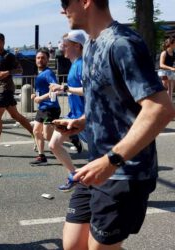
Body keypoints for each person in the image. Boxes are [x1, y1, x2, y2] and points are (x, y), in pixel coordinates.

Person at [58, 0, 175, 249]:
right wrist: (82, 121)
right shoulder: (90, 44)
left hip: (124, 171)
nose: (62, 9)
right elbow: (113, 101)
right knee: (72, 244)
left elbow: (160, 108)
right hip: (96, 165)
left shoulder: (122, 43)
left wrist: (111, 159)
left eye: (65, 2)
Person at [0, 33, 34, 155]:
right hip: (0, 88)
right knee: (16, 116)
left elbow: (20, 69)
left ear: (3, 42)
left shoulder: (8, 56)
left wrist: (8, 73)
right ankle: (35, 133)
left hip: (6, 89)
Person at [49, 30, 86, 192]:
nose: (61, 48)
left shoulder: (83, 64)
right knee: (54, 144)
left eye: (65, 45)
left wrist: (65, 87)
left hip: (87, 117)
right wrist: (63, 90)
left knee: (104, 156)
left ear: (77, 46)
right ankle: (74, 175)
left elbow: (88, 90)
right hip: (74, 115)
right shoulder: (74, 64)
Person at [29, 49, 60, 166]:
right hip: (42, 108)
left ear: (47, 60)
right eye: (38, 58)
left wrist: (41, 98)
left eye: (43, 58)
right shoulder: (40, 73)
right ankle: (41, 156)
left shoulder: (48, 73)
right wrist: (35, 95)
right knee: (36, 131)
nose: (40, 60)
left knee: (47, 135)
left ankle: (72, 138)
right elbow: (42, 91)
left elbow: (55, 89)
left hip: (51, 108)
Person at [158, 37, 175, 102]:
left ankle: (169, 103)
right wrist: (171, 68)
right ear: (171, 44)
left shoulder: (173, 53)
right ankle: (163, 103)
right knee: (165, 88)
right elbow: (161, 65)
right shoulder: (164, 53)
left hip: (170, 73)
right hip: (163, 72)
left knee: (170, 89)